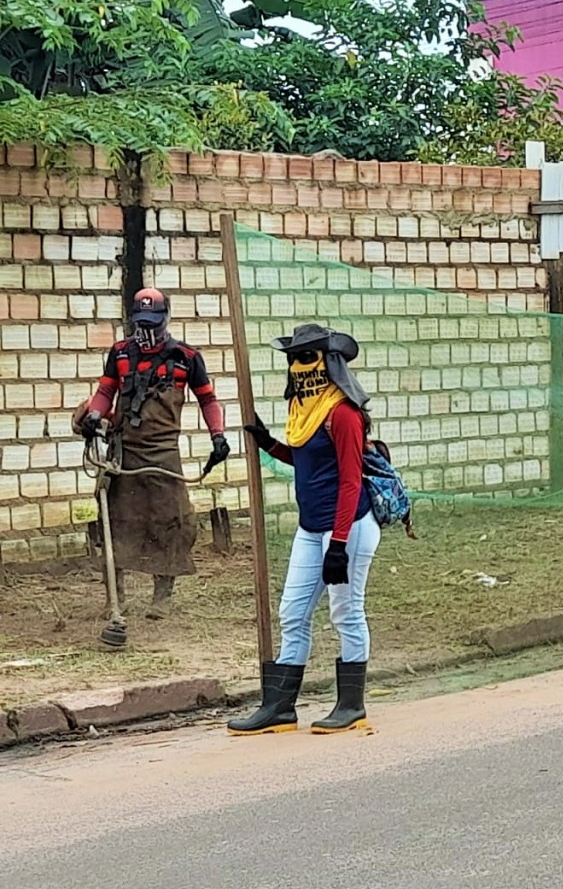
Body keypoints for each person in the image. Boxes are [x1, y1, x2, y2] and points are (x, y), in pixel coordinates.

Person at [227, 324, 381, 737]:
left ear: (328, 363)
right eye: (293, 358)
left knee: (345, 612)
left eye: (306, 357)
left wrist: (340, 544)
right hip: (311, 529)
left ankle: (352, 706)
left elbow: (350, 481)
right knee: (292, 613)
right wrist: (269, 443)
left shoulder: (342, 413)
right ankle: (279, 708)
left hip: (348, 528)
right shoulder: (302, 410)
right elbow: (308, 462)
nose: (298, 366)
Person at [78, 288, 230, 619]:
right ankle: (115, 598)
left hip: (164, 456)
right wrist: (94, 415)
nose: (148, 331)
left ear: (167, 318)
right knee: (116, 522)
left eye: (154, 323)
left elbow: (207, 399)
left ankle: (163, 595)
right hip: (124, 453)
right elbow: (106, 390)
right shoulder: (119, 353)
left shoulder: (187, 358)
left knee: (171, 522)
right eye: (141, 323)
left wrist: (218, 437)